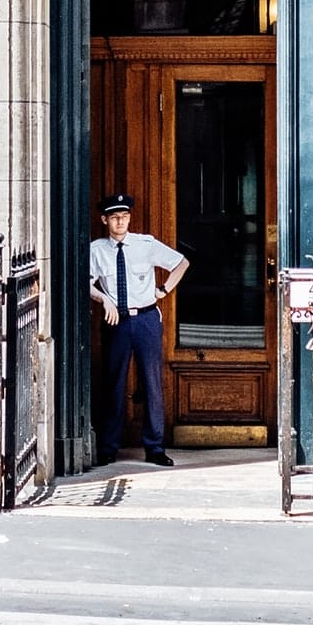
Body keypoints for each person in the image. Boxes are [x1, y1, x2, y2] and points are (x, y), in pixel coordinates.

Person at [87, 192, 189, 468]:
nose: (121, 222)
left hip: (145, 319)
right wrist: (103, 298)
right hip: (116, 321)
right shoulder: (96, 250)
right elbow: (85, 281)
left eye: (125, 217)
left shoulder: (145, 245)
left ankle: (155, 447)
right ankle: (108, 447)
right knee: (113, 383)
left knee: (152, 382)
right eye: (115, 218)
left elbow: (181, 263)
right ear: (105, 220)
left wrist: (164, 290)